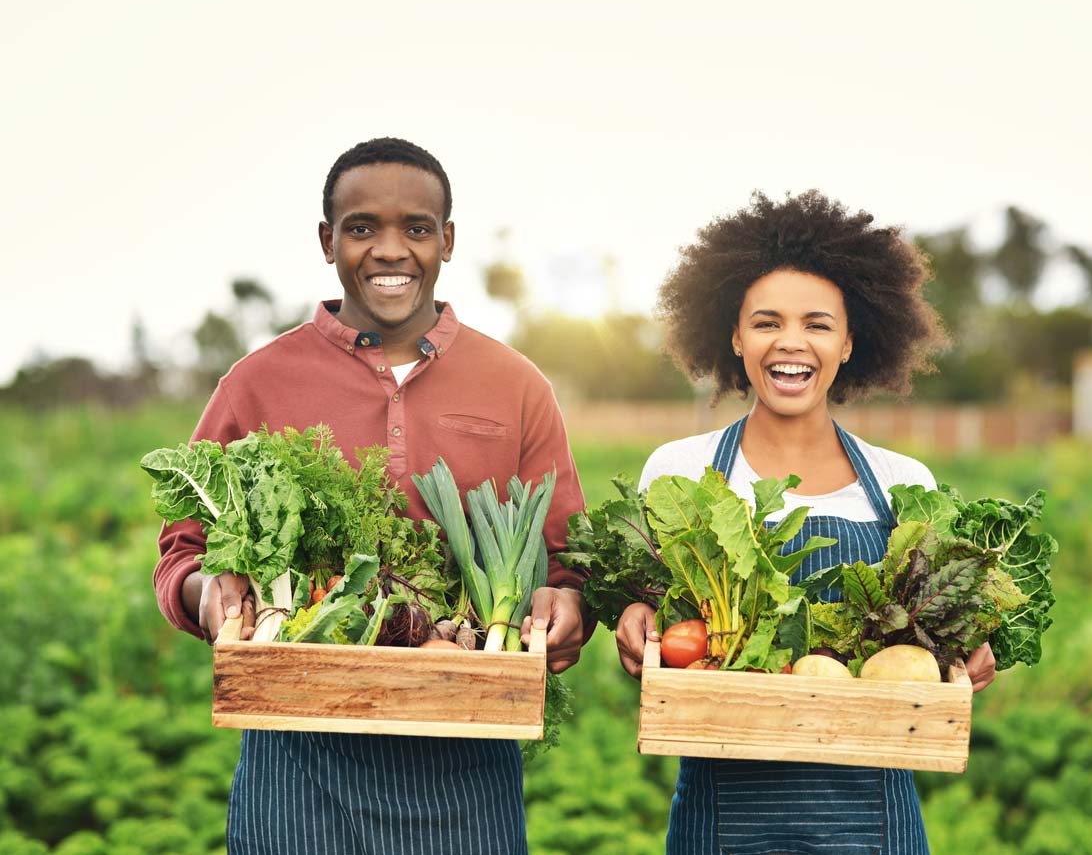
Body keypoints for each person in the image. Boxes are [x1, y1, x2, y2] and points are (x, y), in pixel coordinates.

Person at [153, 137, 590, 855]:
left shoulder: (515, 385)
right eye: (362, 228)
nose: (391, 250)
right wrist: (208, 594)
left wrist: (569, 605)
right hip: (296, 754)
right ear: (328, 241)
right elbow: (182, 548)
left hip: (464, 754)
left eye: (416, 229)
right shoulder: (257, 382)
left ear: (447, 240)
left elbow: (569, 562)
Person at [614, 190, 997, 855]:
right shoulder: (678, 470)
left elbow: (930, 652)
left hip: (875, 823)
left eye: (818, 324)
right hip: (721, 817)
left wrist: (963, 654)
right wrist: (634, 625)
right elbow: (659, 629)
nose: (791, 342)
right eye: (766, 322)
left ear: (851, 342)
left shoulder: (905, 483)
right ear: (734, 336)